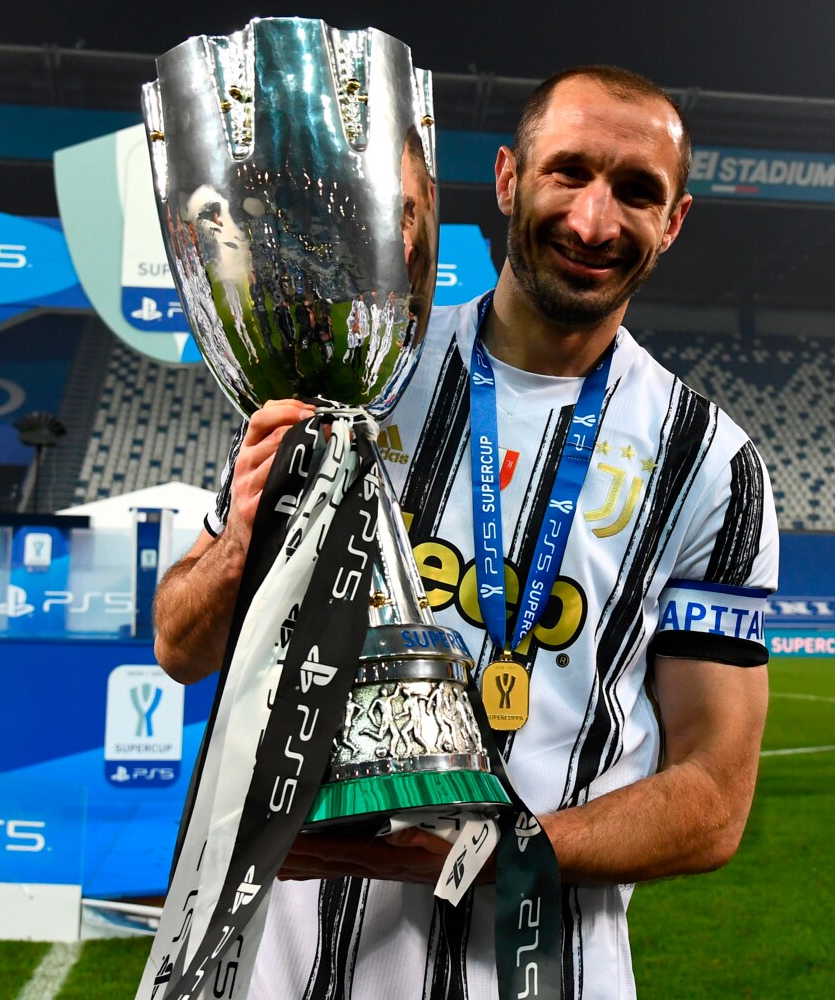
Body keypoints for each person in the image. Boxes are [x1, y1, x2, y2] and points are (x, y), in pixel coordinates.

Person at [154, 65, 777, 1000]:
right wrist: (247, 539)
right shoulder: (353, 368)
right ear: (507, 179)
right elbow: (179, 643)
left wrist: (499, 849)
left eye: (636, 191)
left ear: (674, 220)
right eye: (569, 171)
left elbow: (714, 798)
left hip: (540, 969)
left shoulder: (711, 465)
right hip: (289, 964)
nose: (594, 221)